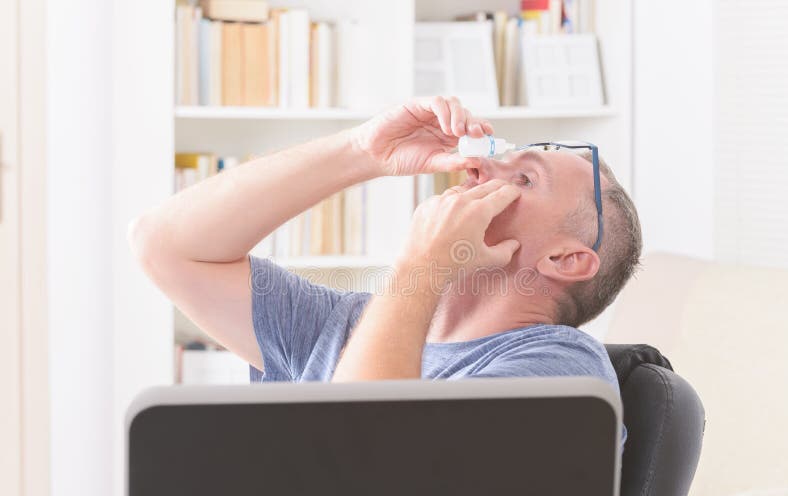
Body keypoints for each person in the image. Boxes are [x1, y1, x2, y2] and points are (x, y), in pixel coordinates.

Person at [129, 97, 641, 414]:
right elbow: (165, 245)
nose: (480, 171)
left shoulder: (564, 374)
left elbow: (361, 465)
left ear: (567, 260)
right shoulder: (341, 327)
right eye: (500, 161)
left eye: (525, 179)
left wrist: (423, 265)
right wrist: (363, 151)